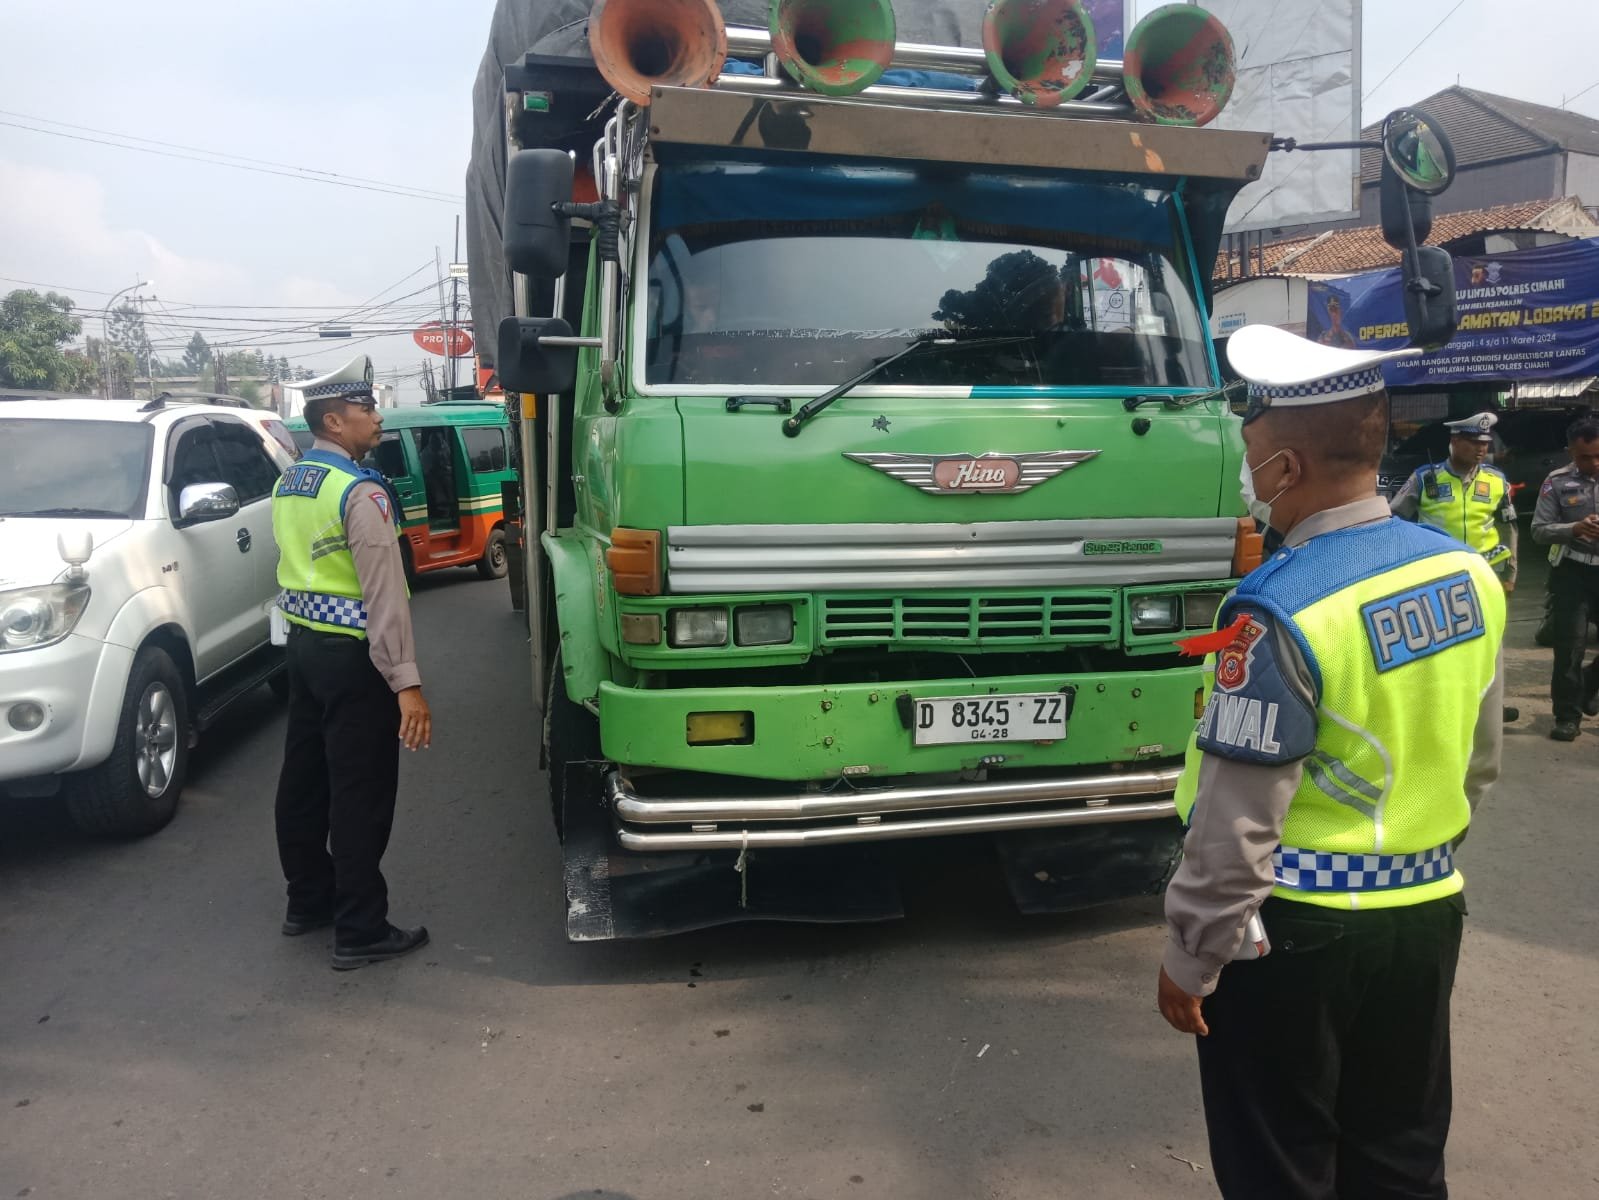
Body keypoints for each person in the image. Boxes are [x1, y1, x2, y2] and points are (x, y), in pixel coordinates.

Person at [1157, 324, 1505, 1200]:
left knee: (1280, 1162)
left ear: (1284, 465)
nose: (1246, 476)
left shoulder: (1276, 609)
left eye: (1249, 453)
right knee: (1399, 1151)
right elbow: (1478, 758)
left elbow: (1238, 822)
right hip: (1424, 912)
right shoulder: (1467, 573)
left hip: (1294, 929)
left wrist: (1191, 954)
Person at [271, 355, 432, 970]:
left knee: (304, 780)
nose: (377, 416)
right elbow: (383, 594)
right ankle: (361, 927)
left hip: (305, 650)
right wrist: (406, 683)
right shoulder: (360, 491)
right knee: (359, 792)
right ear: (335, 421)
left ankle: (308, 900)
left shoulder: (292, 481)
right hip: (354, 658)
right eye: (367, 409)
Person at [1390, 410, 1518, 593]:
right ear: (1455, 441)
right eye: (1474, 442)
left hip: (1486, 569)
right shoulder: (1425, 477)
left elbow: (1509, 528)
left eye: (1485, 443)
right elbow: (1395, 519)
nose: (1481, 449)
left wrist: (1511, 575)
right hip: (1437, 571)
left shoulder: (1496, 479)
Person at [1530, 417, 1599, 741]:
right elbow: (1539, 530)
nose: (1594, 463)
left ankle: (1587, 685)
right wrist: (1573, 529)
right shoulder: (1555, 482)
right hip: (1572, 572)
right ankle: (1567, 716)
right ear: (1571, 451)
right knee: (1570, 646)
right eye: (1586, 457)